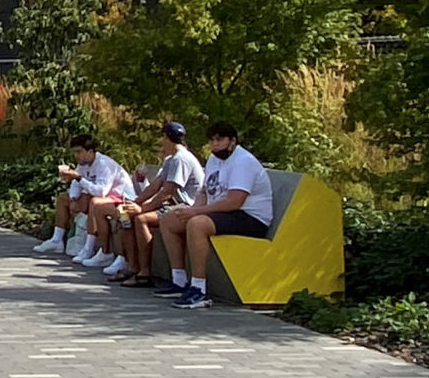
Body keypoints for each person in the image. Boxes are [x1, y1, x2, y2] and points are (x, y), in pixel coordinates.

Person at [156, 121, 276, 309]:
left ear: (232, 141)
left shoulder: (243, 162)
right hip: (224, 213)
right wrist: (190, 210)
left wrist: (195, 213)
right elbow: (205, 192)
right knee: (170, 219)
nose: (214, 144)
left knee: (197, 224)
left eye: (220, 140)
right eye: (211, 140)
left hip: (250, 218)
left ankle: (199, 289)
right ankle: (179, 281)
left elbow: (235, 202)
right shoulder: (213, 160)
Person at [106, 122, 205, 286]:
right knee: (126, 215)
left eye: (163, 137)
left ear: (167, 138)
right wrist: (136, 202)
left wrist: (141, 209)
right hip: (173, 205)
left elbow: (168, 192)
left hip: (186, 207)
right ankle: (131, 266)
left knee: (141, 219)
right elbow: (156, 185)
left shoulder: (181, 159)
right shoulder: (171, 160)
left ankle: (145, 272)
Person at [32, 134, 132, 263]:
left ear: (90, 151)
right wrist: (74, 199)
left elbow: (101, 191)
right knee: (64, 198)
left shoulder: (104, 164)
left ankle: (89, 249)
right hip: (104, 197)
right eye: (74, 152)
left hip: (121, 198)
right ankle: (57, 240)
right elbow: (76, 184)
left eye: (79, 152)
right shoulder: (83, 164)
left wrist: (78, 178)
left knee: (95, 202)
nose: (76, 155)